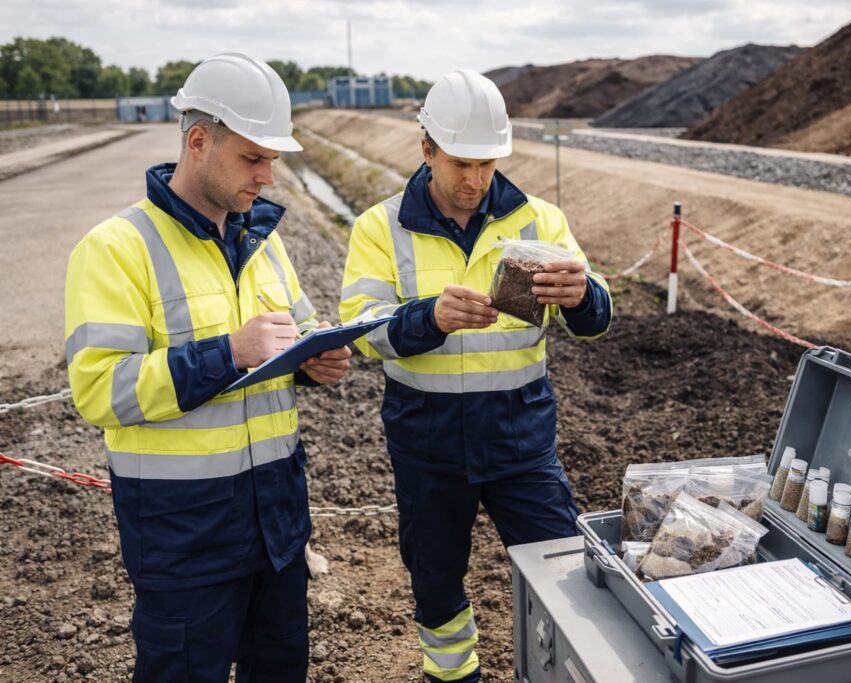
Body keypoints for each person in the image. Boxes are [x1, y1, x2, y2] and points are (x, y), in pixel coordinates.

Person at [64, 52, 351, 683]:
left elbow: (290, 340)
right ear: (199, 141)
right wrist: (228, 352)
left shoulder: (263, 243)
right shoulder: (115, 249)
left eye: (273, 160)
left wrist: (316, 359)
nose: (268, 177)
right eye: (254, 158)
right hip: (184, 537)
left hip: (277, 528)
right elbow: (99, 391)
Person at [339, 69, 613, 682]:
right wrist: (428, 319)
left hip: (521, 439)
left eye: (488, 164)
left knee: (564, 569)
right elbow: (361, 333)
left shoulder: (541, 220)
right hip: (426, 445)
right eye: (461, 163)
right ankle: (452, 676)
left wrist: (582, 296)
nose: (475, 181)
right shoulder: (380, 228)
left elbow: (596, 319)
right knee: (435, 582)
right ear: (427, 148)